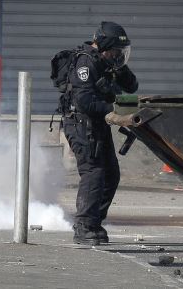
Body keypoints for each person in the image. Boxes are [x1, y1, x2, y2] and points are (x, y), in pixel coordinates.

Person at [63, 21, 138, 246]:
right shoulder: (85, 62)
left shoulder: (108, 62)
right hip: (81, 124)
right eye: (116, 51)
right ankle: (83, 226)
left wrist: (120, 66)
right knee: (93, 172)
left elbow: (132, 86)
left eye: (121, 52)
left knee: (110, 175)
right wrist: (114, 111)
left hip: (98, 125)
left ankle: (94, 223)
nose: (118, 56)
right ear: (104, 47)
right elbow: (85, 100)